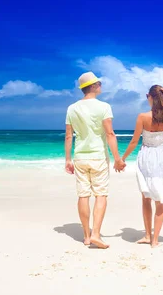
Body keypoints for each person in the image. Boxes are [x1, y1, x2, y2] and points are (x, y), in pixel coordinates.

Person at [121, 85, 163, 248]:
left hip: (147, 156)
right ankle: (155, 240)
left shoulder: (143, 117)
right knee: (161, 198)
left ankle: (147, 235)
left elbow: (133, 141)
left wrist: (122, 159)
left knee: (146, 197)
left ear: (150, 97)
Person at [64, 71, 126, 249]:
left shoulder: (72, 108)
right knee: (101, 195)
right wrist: (117, 158)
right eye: (99, 83)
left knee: (83, 195)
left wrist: (68, 159)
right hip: (98, 156)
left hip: (80, 156)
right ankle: (96, 234)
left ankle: (86, 236)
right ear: (93, 86)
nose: (101, 85)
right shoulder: (104, 107)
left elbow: (69, 136)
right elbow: (109, 133)